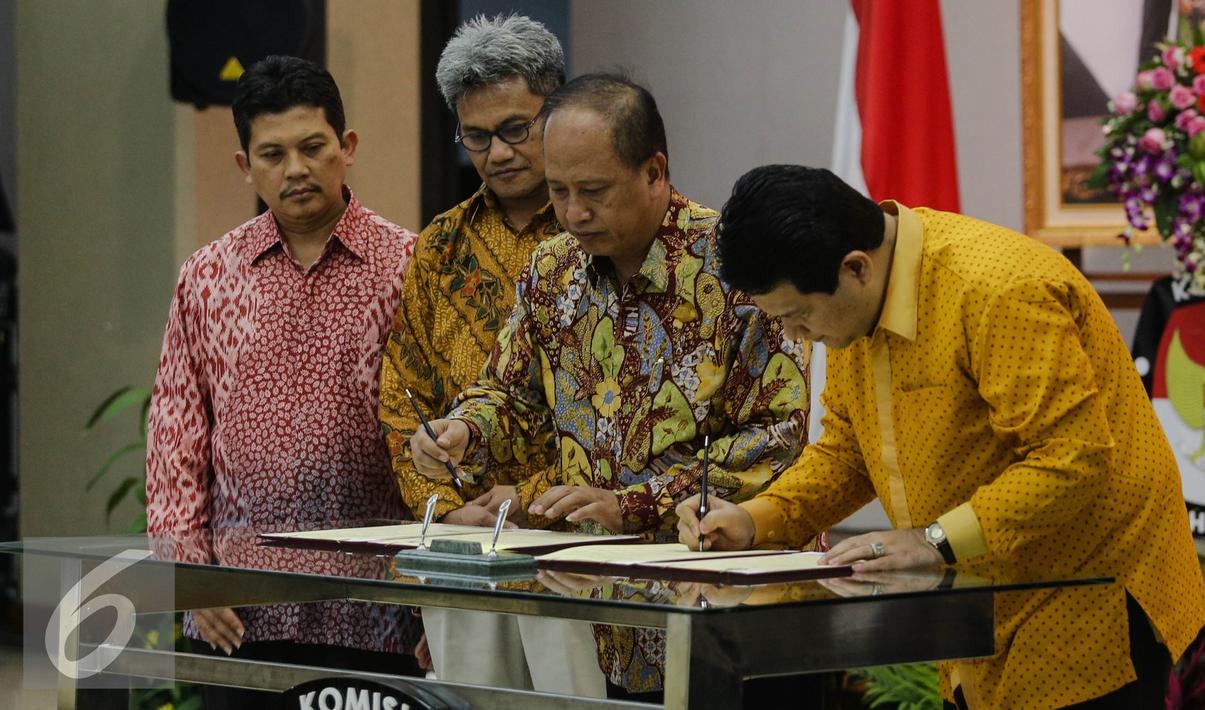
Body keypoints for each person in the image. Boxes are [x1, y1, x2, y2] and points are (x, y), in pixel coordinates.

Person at [676, 164, 1205, 709]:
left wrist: (932, 541)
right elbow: (846, 455)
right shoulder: (853, 312)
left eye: (798, 316)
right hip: (978, 607)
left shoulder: (997, 288)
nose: (794, 336)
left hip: (1088, 599)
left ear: (856, 267)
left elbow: (1072, 460)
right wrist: (755, 519)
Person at [410, 74, 810, 699]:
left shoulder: (735, 267)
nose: (573, 213)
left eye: (593, 191)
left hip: (727, 612)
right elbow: (509, 395)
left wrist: (637, 502)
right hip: (598, 619)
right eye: (559, 191)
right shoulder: (551, 267)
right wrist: (465, 430)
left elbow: (782, 437)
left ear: (655, 171)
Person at [145, 55, 419, 708]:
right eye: (272, 153)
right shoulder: (207, 277)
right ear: (246, 164)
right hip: (240, 607)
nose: (295, 169)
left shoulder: (410, 269)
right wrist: (187, 575)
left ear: (346, 148)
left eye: (312, 147)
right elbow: (175, 433)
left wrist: (437, 599)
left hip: (376, 608)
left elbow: (442, 431)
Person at [378, 14, 608, 694]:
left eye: (515, 129)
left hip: (580, 535)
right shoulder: (441, 244)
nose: (498, 153)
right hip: (466, 540)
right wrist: (445, 507)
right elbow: (403, 394)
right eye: (476, 137)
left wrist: (532, 501)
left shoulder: (601, 230)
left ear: (558, 111)